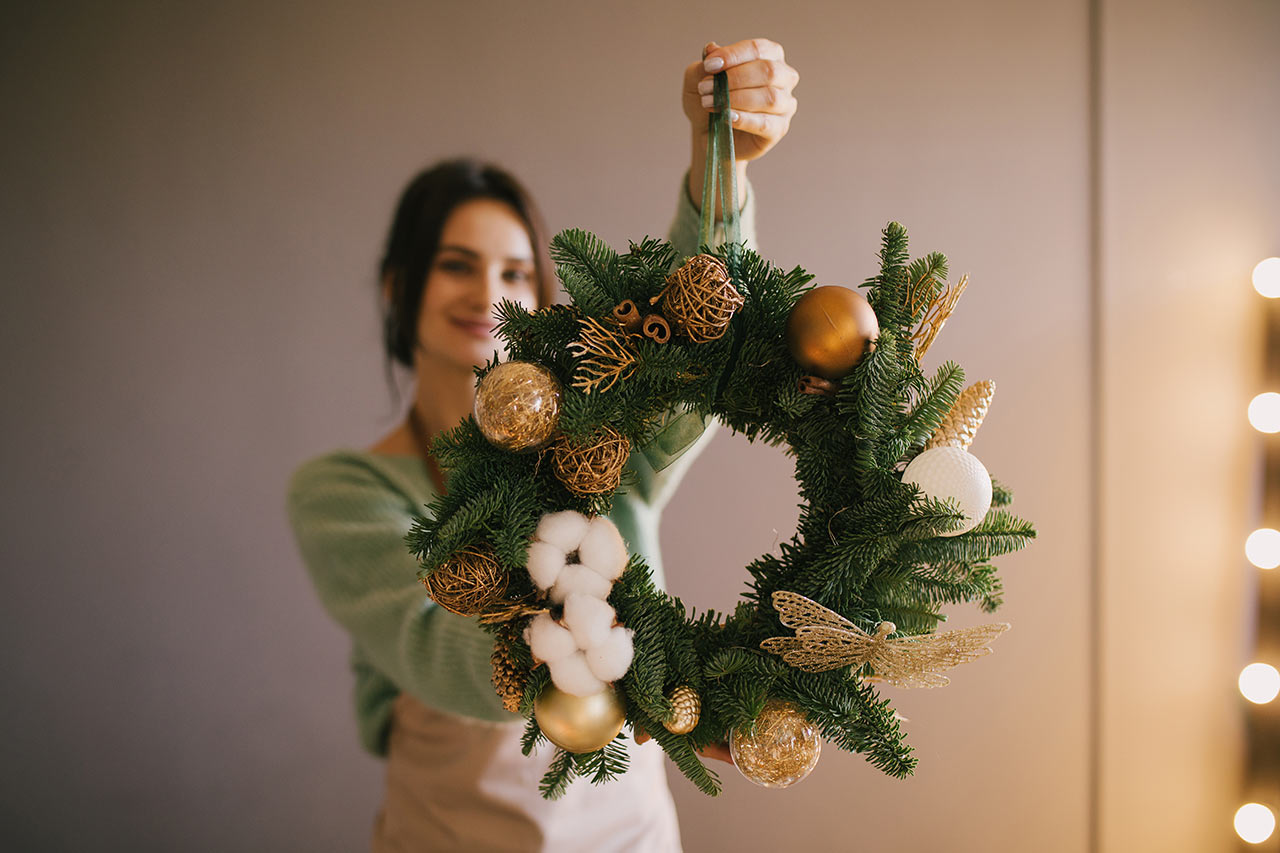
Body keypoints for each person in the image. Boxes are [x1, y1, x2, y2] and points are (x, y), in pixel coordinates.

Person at [287, 39, 800, 852]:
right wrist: (605, 648)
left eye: (517, 273)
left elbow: (689, 343)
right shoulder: (342, 493)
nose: (488, 293)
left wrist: (721, 167)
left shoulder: (599, 450)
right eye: (457, 265)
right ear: (400, 286)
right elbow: (437, 646)